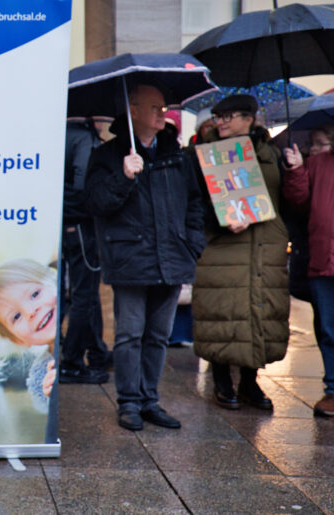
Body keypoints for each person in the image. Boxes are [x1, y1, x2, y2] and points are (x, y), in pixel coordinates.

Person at [85, 82, 206, 431]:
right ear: (133, 111)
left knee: (157, 335)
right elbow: (94, 203)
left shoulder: (177, 155)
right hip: (130, 260)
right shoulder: (107, 155)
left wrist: (192, 244)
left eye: (163, 107)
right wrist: (124, 176)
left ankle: (149, 399)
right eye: (155, 108)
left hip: (172, 257)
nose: (162, 114)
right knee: (129, 334)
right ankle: (129, 402)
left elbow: (194, 204)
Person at [191, 94, 289, 412]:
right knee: (223, 312)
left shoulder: (271, 152)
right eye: (217, 116)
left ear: (248, 118)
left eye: (227, 116)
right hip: (223, 246)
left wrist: (296, 170)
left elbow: (287, 198)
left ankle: (250, 381)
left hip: (263, 245)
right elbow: (193, 201)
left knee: (258, 312)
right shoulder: (204, 153)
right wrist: (220, 220)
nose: (220, 122)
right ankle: (222, 380)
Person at [284, 126, 334, 417]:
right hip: (323, 258)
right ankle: (332, 390)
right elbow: (298, 199)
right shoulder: (318, 163)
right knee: (328, 328)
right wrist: (296, 171)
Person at [0, 259, 58, 413]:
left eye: (35, 294)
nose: (30, 312)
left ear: (56, 281)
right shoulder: (41, 375)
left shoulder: (90, 316)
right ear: (18, 340)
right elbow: (48, 414)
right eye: (16, 317)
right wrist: (52, 397)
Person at [58, 117, 110, 384]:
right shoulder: (83, 138)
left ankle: (97, 351)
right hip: (81, 224)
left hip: (66, 222)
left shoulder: (61, 132)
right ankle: (72, 361)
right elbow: (83, 185)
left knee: (83, 292)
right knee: (84, 295)